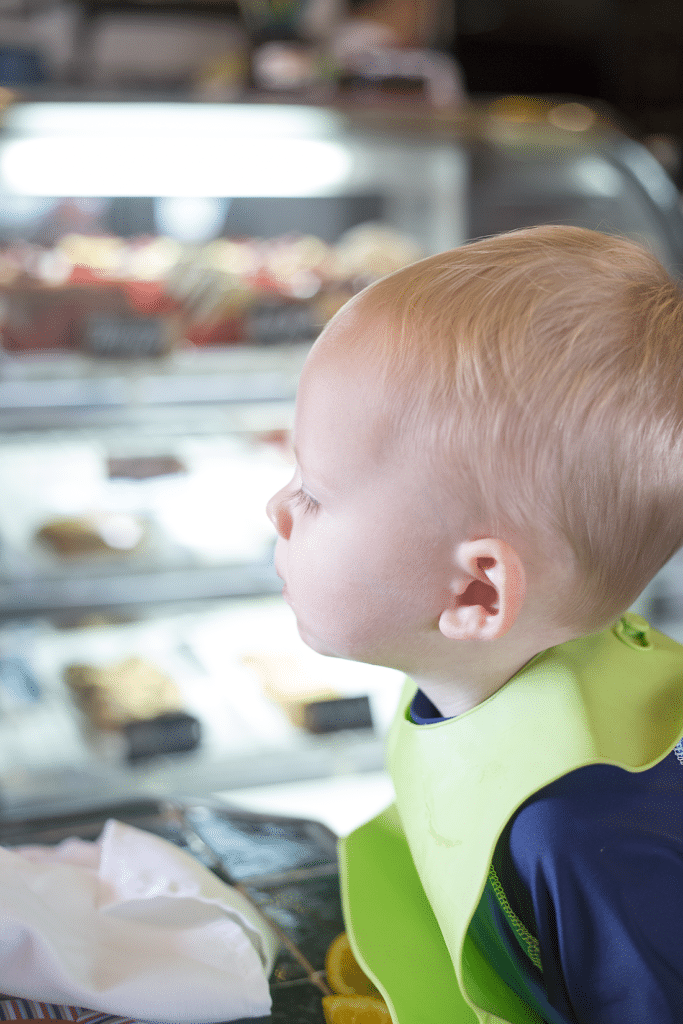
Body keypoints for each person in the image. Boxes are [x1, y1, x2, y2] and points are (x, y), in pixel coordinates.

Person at [266, 224, 683, 1024]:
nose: (278, 509)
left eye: (314, 492)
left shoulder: (574, 833)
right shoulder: (483, 674)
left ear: (478, 596)